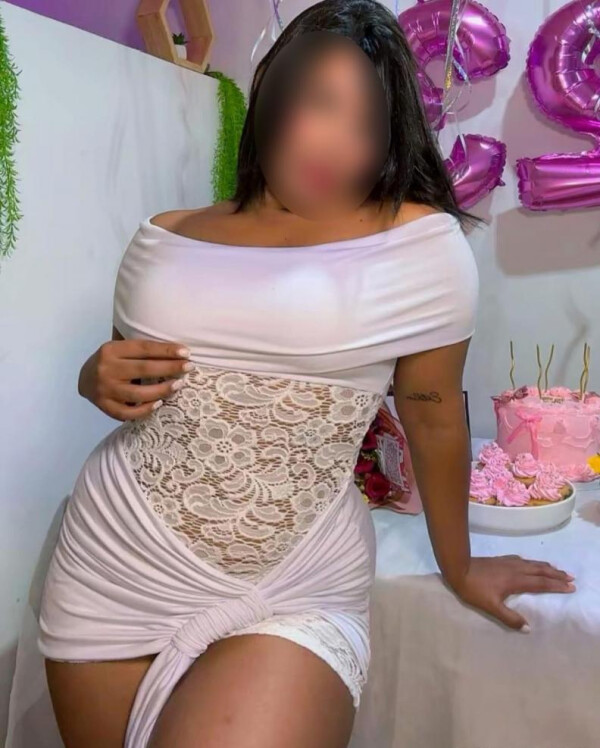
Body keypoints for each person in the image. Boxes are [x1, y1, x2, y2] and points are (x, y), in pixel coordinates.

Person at [38, 1, 575, 747]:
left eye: (368, 126)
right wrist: (92, 377)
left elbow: (430, 413)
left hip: (289, 579)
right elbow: (130, 379)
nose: (338, 145)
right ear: (272, 85)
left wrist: (460, 566)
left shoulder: (421, 246)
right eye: (323, 103)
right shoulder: (163, 235)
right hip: (114, 560)